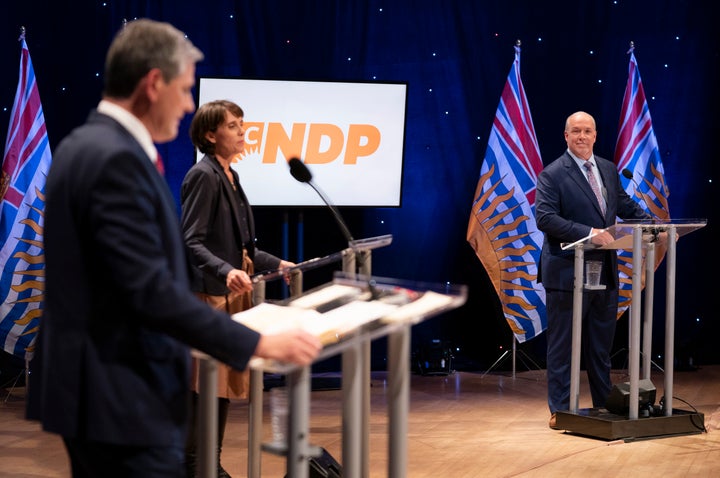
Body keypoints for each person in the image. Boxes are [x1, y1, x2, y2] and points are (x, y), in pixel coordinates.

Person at [26, 18, 322, 477]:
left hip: (101, 381)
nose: (188, 106)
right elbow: (150, 291)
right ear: (153, 83)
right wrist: (259, 341)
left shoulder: (96, 144)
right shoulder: (114, 158)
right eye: (185, 91)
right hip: (112, 385)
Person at [180, 99, 295, 477]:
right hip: (209, 296)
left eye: (242, 124)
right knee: (204, 385)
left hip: (233, 295)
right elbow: (191, 241)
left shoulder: (230, 175)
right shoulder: (204, 175)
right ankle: (196, 464)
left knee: (224, 383)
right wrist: (226, 270)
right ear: (211, 135)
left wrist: (276, 264)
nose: (242, 131)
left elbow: (244, 247)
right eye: (233, 125)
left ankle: (208, 462)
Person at [535, 111, 650, 430]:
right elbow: (544, 219)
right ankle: (560, 410)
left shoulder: (609, 170)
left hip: (604, 270)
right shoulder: (552, 174)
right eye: (576, 131)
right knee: (562, 347)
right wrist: (588, 232)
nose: (582, 136)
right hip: (566, 271)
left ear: (596, 135)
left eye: (587, 131)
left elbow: (623, 205)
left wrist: (653, 224)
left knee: (601, 347)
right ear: (566, 136)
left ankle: (605, 405)